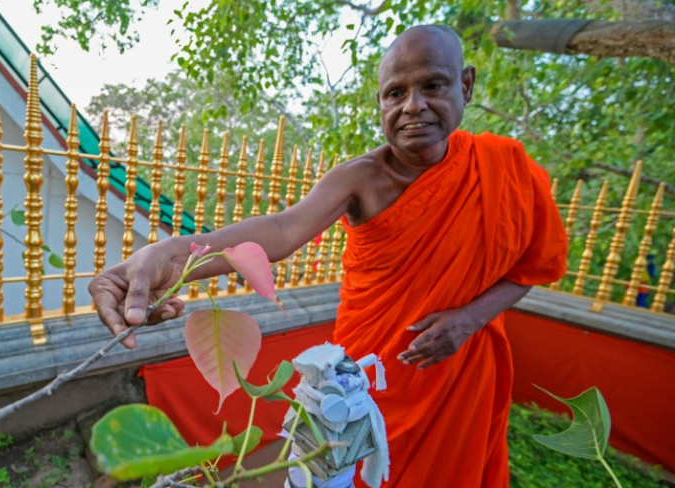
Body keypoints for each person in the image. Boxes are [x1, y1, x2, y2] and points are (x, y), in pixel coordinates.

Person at [89, 24, 567, 487]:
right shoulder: (362, 179)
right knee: (348, 470)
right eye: (395, 93)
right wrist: (169, 256)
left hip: (462, 368)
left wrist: (469, 319)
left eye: (432, 85)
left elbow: (530, 268)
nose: (413, 106)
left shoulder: (506, 168)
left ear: (465, 85)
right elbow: (282, 228)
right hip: (368, 376)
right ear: (380, 103)